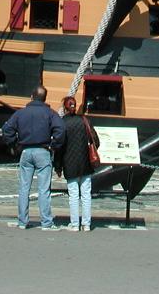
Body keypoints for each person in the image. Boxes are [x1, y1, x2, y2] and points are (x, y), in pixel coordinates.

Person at [2, 85, 65, 230]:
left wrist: (14, 143)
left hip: (25, 150)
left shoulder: (20, 113)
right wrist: (54, 145)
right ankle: (46, 222)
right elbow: (60, 129)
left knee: (24, 188)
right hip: (43, 150)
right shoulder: (50, 113)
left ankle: (22, 221)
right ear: (45, 98)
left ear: (31, 96)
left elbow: (7, 129)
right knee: (44, 189)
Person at [55, 96, 101, 231]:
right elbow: (96, 141)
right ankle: (86, 224)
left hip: (69, 163)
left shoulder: (62, 123)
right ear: (75, 106)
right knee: (86, 194)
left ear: (65, 107)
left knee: (73, 195)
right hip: (85, 162)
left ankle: (75, 224)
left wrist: (58, 166)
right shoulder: (85, 121)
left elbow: (59, 147)